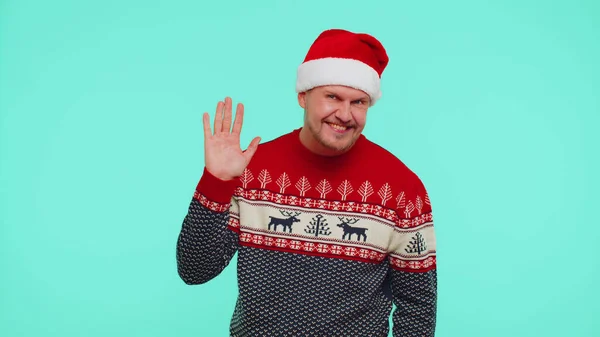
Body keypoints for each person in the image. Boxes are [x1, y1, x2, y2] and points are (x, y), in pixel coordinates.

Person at [176, 28, 437, 337]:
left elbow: (418, 308)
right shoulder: (251, 170)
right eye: (332, 97)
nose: (344, 114)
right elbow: (194, 270)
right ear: (303, 95)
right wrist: (217, 181)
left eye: (359, 102)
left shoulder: (402, 189)